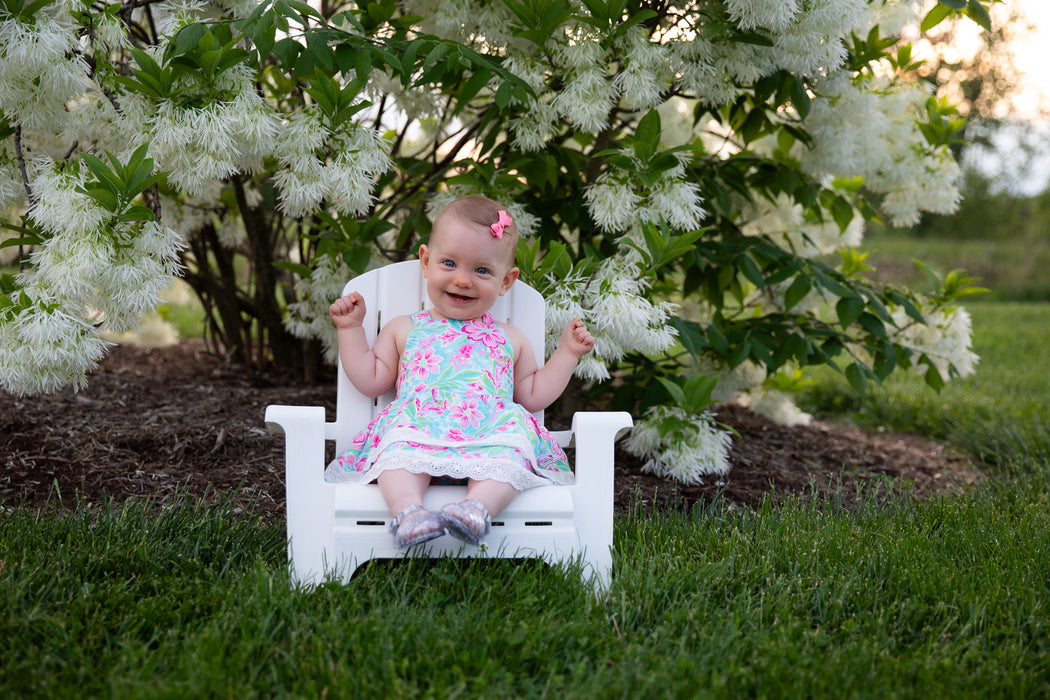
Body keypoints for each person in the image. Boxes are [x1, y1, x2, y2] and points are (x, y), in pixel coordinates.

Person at [323, 194, 595, 549]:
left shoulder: (510, 337)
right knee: (396, 448)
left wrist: (567, 353)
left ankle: (476, 508)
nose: (463, 280)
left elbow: (533, 395)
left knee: (512, 447)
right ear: (425, 261)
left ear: (506, 281)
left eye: (482, 270)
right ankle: (408, 512)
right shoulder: (404, 328)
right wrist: (350, 329)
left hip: (488, 437)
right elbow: (370, 380)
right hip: (420, 432)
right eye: (449, 263)